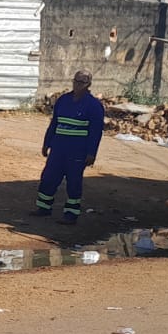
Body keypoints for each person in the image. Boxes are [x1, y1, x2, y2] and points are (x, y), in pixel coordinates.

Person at [35, 69, 105, 225]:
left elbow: (95, 132)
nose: (78, 85)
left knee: (73, 182)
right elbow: (54, 123)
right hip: (58, 148)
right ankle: (44, 208)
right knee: (49, 177)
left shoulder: (94, 105)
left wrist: (91, 153)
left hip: (78, 151)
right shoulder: (63, 100)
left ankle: (71, 214)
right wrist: (46, 143)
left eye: (82, 82)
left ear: (88, 84)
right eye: (76, 81)